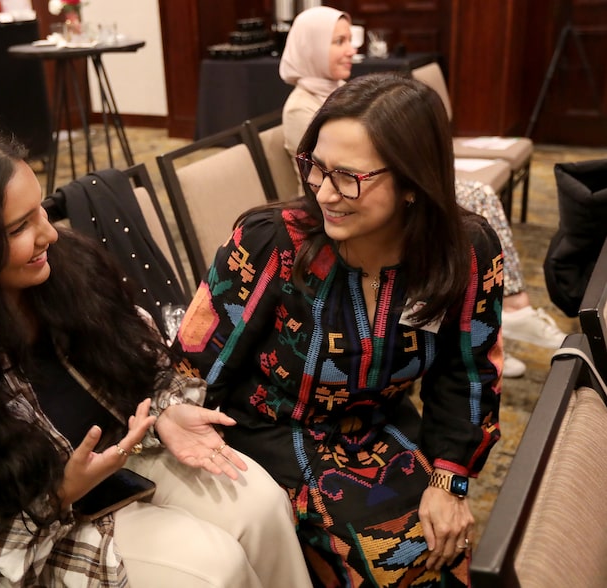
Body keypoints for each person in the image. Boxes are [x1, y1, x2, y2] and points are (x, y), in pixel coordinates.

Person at [0, 124, 313, 587]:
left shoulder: (63, 275)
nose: (49, 234)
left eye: (40, 210)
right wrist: (58, 495)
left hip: (121, 464)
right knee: (212, 568)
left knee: (260, 504)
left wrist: (165, 410)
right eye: (19, 227)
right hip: (30, 537)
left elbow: (143, 361)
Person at [172, 73, 503, 586]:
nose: (325, 193)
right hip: (274, 432)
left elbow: (469, 372)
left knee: (448, 551)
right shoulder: (274, 243)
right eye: (316, 169)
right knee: (391, 562)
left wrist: (449, 479)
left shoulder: (464, 254)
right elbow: (191, 367)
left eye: (348, 176)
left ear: (414, 182)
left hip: (379, 426)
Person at [278, 5, 566, 378]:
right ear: (310, 48)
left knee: (474, 205)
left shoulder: (342, 94)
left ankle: (499, 313)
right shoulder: (305, 111)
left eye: (351, 39)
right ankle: (505, 312)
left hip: (379, 191)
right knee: (469, 204)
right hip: (352, 209)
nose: (350, 50)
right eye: (338, 42)